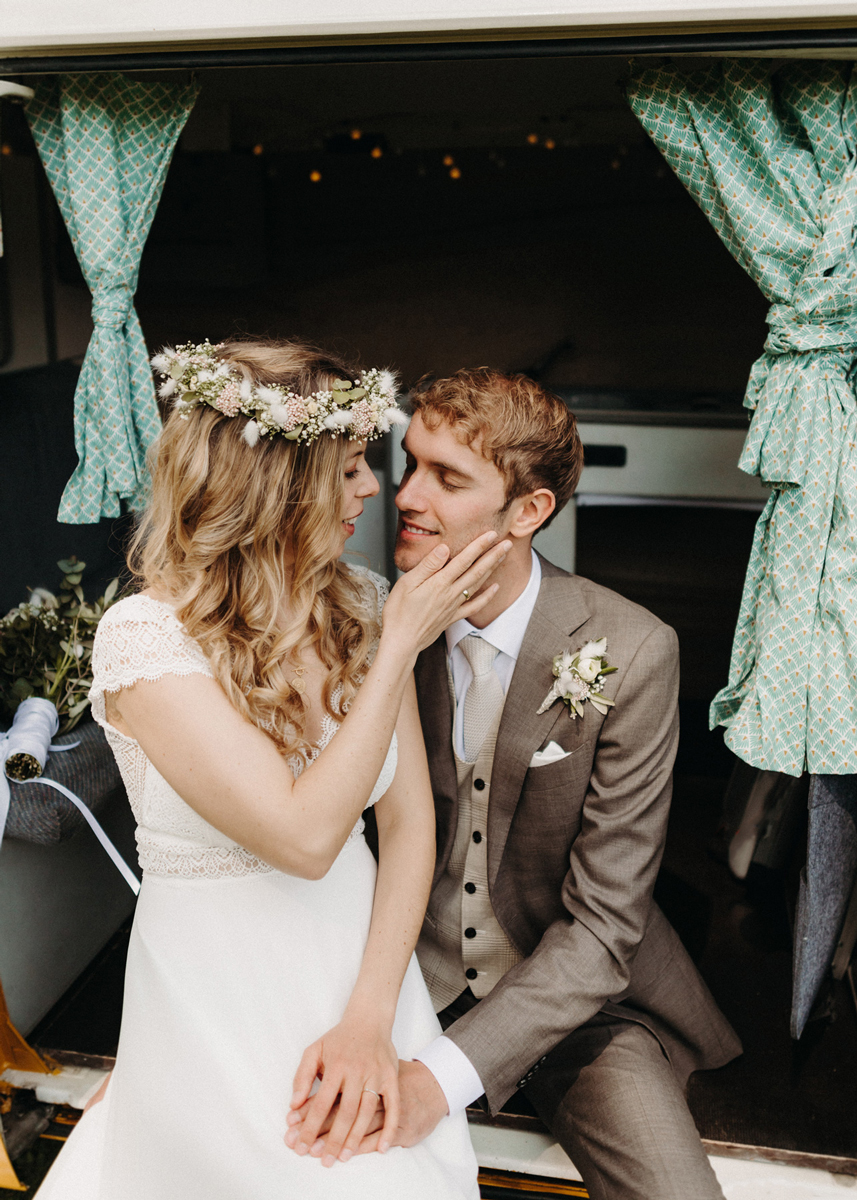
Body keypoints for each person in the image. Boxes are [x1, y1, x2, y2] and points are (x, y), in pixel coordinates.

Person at [35, 340, 508, 1200]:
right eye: (352, 467)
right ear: (276, 486)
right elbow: (303, 838)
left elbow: (405, 825)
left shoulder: (360, 602)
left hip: (362, 972)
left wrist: (370, 1019)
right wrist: (403, 641)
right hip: (218, 993)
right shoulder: (146, 640)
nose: (374, 490)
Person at [288, 368, 743, 1200]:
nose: (407, 494)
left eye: (448, 478)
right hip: (392, 982)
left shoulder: (632, 650)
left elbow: (605, 928)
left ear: (528, 511)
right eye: (408, 462)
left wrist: (437, 1083)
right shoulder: (360, 625)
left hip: (577, 1002)